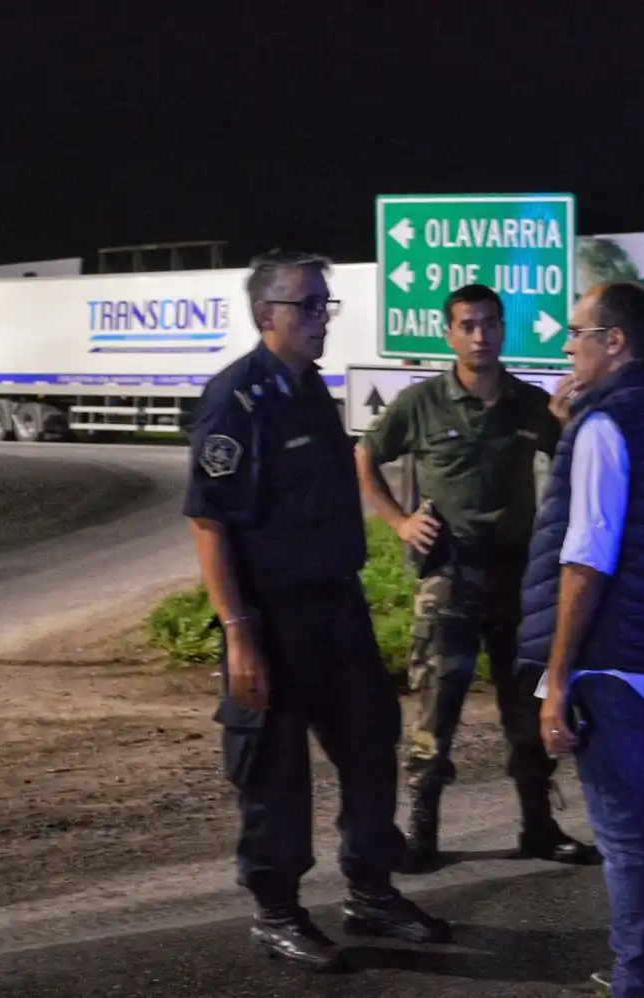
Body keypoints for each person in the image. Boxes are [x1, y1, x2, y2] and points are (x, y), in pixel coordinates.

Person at [183, 248, 449, 973]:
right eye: (308, 305)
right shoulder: (235, 399)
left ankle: (371, 891)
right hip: (272, 616)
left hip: (337, 607)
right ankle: (277, 913)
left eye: (325, 304)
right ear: (268, 315)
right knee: (275, 775)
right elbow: (209, 522)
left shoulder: (309, 392)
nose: (321, 318)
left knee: (371, 745)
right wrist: (238, 633)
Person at [356, 283, 599, 872]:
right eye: (467, 325)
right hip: (450, 577)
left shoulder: (527, 402)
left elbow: (571, 461)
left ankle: (538, 825)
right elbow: (364, 455)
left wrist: (566, 424)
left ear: (501, 329)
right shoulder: (422, 403)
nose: (480, 336)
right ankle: (422, 830)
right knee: (436, 707)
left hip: (520, 580)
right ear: (450, 333)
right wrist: (398, 521)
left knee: (529, 705)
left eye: (489, 324)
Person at [521, 282, 644, 998]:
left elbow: (585, 560)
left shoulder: (605, 427)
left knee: (626, 836)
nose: (566, 345)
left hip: (609, 657)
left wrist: (558, 677)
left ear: (615, 342)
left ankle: (635, 983)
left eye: (578, 333)